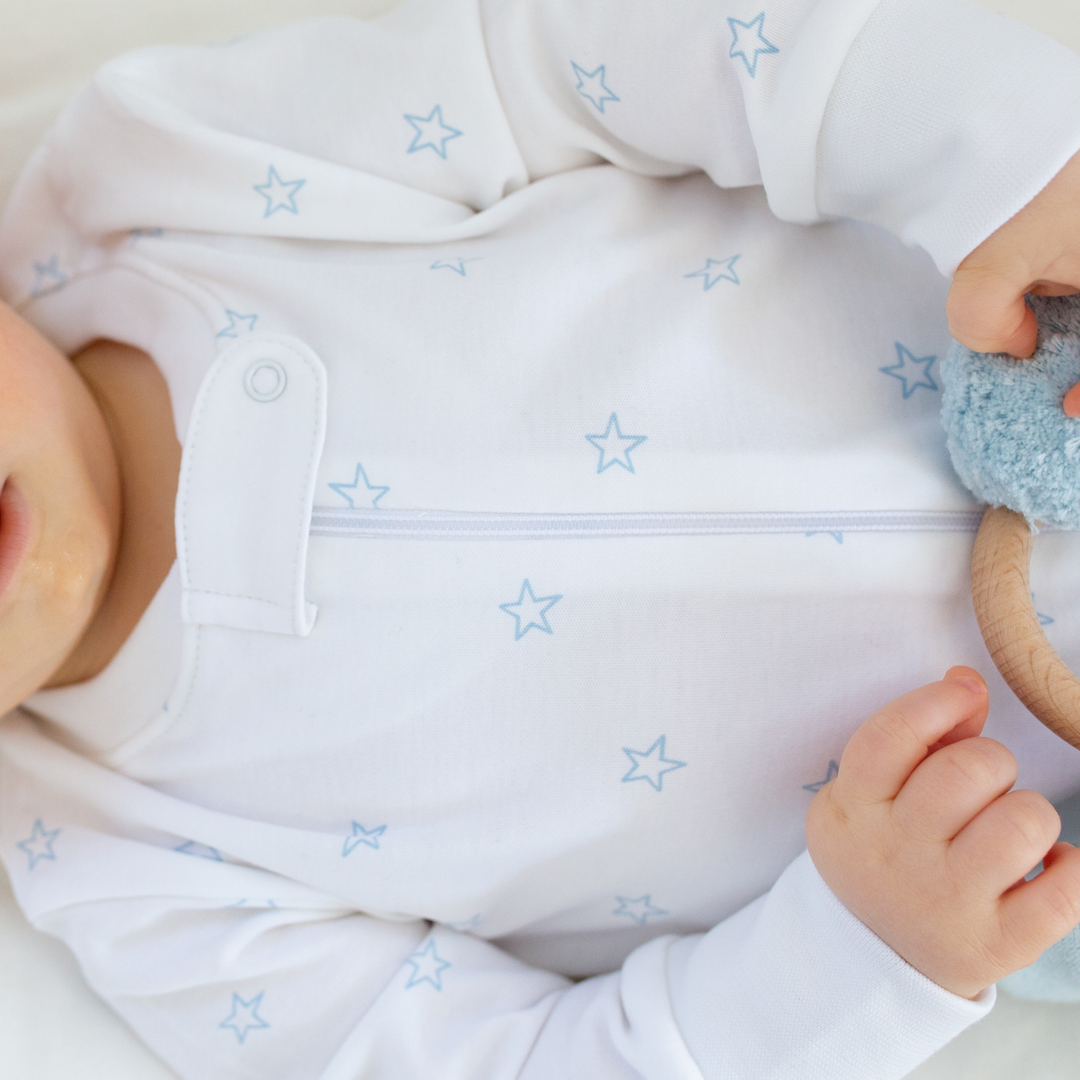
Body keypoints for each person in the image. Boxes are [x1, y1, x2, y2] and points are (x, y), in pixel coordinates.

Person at [3, 0, 1080, 1076]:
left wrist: (1002, 155)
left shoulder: (166, 177)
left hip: (1032, 300)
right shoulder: (137, 877)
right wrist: (868, 957)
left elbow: (589, 50)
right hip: (1043, 825)